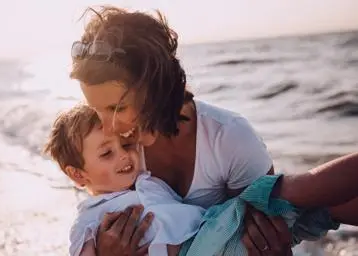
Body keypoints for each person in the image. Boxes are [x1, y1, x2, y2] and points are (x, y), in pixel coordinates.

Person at [69, 6, 289, 255]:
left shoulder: (229, 139)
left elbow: (267, 235)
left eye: (116, 108)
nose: (108, 127)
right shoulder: (114, 149)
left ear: (155, 88)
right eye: (97, 110)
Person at [43, 104, 358, 256]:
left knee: (320, 209)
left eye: (126, 145)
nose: (125, 156)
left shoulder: (148, 181)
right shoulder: (89, 219)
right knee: (288, 193)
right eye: (106, 154)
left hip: (217, 234)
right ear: (77, 174)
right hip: (202, 247)